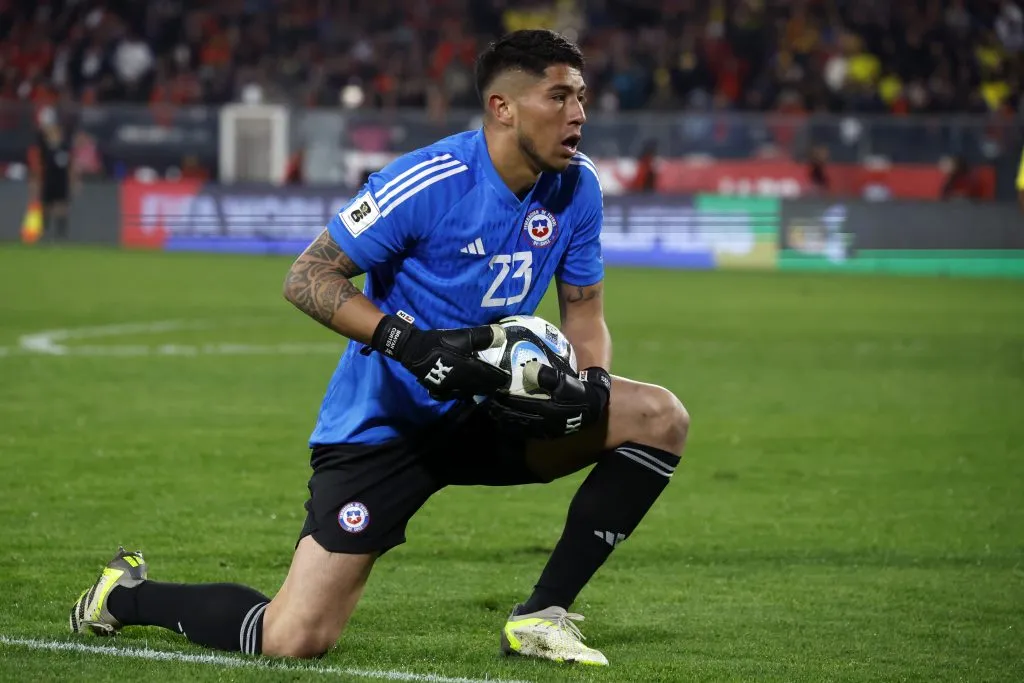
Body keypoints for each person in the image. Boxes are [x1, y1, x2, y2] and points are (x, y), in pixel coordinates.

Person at [69, 30, 689, 667]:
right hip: (386, 426)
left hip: (492, 408)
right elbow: (308, 276)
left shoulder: (576, 187)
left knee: (659, 418)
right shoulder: (430, 180)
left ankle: (541, 615)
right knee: (294, 638)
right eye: (559, 97)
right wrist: (413, 347)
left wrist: (588, 380)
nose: (579, 114)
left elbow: (583, 309)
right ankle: (126, 597)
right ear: (503, 107)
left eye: (581, 98)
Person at [28, 107, 78, 241]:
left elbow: (71, 165)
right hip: (49, 179)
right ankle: (44, 233)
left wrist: (74, 180)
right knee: (46, 206)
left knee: (62, 206)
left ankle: (61, 236)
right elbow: (39, 163)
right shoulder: (43, 144)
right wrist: (36, 181)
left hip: (62, 180)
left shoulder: (65, 145)